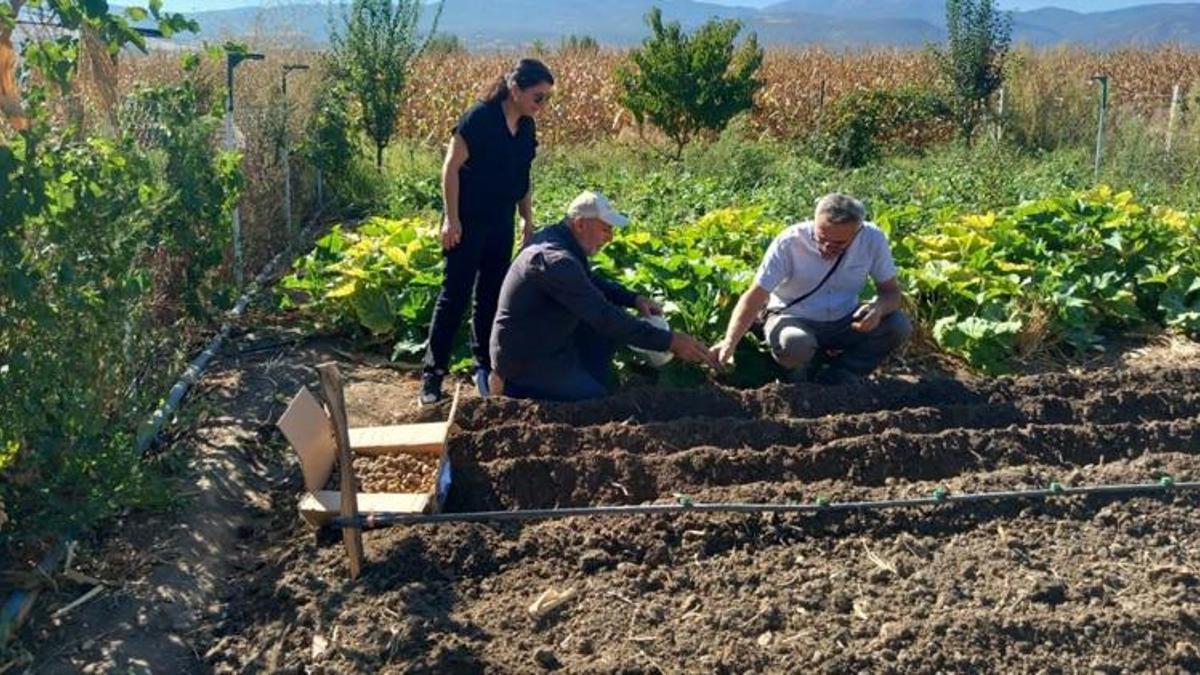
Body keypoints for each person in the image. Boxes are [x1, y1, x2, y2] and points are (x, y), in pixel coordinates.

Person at [489, 191, 719, 402]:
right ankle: (511, 389)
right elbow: (604, 316)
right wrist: (670, 341)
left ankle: (579, 379)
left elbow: (589, 281)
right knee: (594, 401)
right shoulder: (554, 260)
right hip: (526, 360)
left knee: (603, 344)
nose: (610, 237)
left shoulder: (558, 240)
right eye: (605, 229)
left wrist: (633, 299)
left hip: (544, 340)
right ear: (580, 224)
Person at [419, 58, 555, 404]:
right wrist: (451, 219)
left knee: (491, 298)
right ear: (515, 89)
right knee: (455, 296)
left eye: (547, 99)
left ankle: (484, 367)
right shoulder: (479, 119)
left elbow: (522, 177)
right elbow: (450, 168)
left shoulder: (525, 129)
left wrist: (526, 218)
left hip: (501, 221)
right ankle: (432, 377)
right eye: (538, 97)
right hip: (467, 221)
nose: (542, 106)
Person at [711, 193, 912, 384]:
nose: (826, 247)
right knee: (795, 343)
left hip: (845, 319)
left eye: (838, 243)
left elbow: (891, 293)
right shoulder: (789, 242)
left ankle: (842, 375)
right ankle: (799, 383)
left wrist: (878, 308)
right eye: (821, 237)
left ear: (857, 232)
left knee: (898, 324)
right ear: (814, 222)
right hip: (793, 317)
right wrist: (729, 342)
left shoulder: (872, 239)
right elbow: (755, 295)